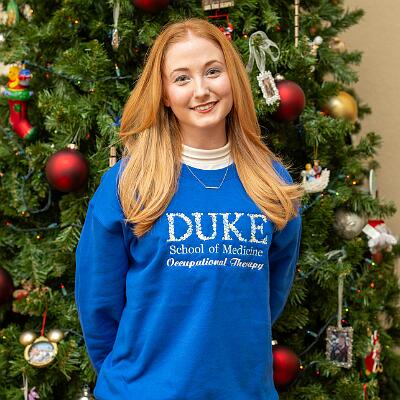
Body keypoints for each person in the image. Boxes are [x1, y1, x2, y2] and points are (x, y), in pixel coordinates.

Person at [75, 17, 303, 400]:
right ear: (164, 93)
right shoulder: (128, 182)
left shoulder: (272, 182)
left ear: (232, 77)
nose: (201, 90)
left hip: (243, 391)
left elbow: (270, 295)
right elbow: (98, 303)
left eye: (213, 71)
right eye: (181, 78)